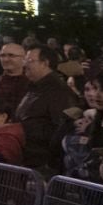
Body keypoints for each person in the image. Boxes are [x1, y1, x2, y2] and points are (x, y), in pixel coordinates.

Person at [14, 44, 80, 175]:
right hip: (29, 159)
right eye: (25, 61)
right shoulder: (34, 87)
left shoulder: (58, 92)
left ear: (45, 63)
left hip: (42, 164)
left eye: (30, 61)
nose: (25, 65)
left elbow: (61, 130)